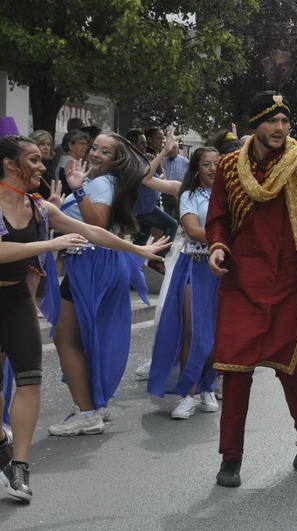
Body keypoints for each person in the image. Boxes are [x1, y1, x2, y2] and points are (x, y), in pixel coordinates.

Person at [0, 135, 166, 500]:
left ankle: (20, 467)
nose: (42, 166)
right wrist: (50, 244)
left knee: (29, 380)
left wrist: (136, 248)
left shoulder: (39, 206)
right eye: (33, 159)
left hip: (15, 301)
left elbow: (93, 230)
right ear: (10, 165)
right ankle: (2, 441)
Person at [205, 91, 297, 488]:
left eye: (285, 122)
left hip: (290, 281)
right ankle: (230, 458)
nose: (281, 129)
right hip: (241, 282)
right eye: (273, 121)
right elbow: (217, 218)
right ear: (255, 124)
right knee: (235, 372)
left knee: (290, 369)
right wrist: (217, 246)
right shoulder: (231, 166)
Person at [45, 133, 170, 438]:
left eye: (105, 151)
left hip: (90, 263)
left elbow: (96, 224)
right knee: (87, 338)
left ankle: (87, 413)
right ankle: (93, 406)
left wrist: (79, 192)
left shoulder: (100, 184)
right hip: (98, 263)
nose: (97, 154)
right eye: (95, 148)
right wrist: (64, 204)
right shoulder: (107, 181)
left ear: (117, 160)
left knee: (66, 338)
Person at [146, 147, 221, 419]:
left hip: (225, 270)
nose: (212, 169)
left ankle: (208, 386)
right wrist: (227, 238)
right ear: (196, 169)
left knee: (216, 333)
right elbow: (192, 230)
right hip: (194, 266)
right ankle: (187, 393)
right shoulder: (189, 194)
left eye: (216, 164)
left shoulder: (234, 196)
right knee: (192, 330)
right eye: (206, 164)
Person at [133, 127, 178, 271]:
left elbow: (160, 178)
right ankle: (157, 259)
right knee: (171, 225)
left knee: (141, 239)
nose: (144, 146)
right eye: (158, 138)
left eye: (163, 138)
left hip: (149, 203)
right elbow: (147, 178)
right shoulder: (139, 159)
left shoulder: (149, 157)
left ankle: (133, 268)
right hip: (143, 206)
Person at [55, 129, 90, 195]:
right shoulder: (71, 162)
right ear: (70, 145)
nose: (85, 147)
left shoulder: (65, 158)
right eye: (81, 143)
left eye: (86, 144)